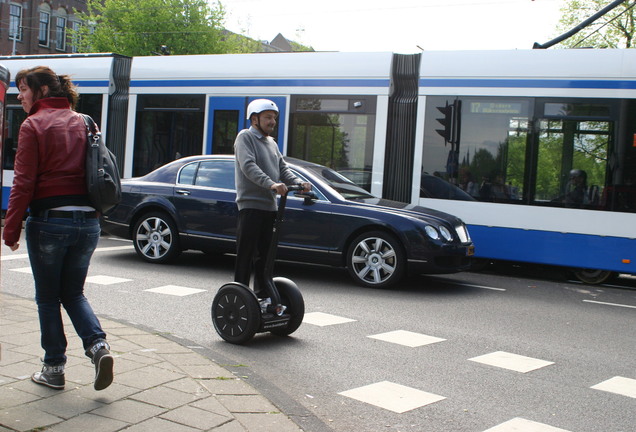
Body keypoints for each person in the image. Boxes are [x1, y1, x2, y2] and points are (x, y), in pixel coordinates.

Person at [2, 66, 114, 391]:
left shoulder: (32, 125)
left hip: (50, 222)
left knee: (48, 298)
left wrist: (11, 229)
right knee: (74, 293)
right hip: (89, 224)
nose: (19, 96)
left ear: (39, 92)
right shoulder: (85, 121)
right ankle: (98, 347)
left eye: (23, 89)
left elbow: (23, 182)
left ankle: (53, 369)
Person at [233, 99, 311, 298]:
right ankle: (239, 296)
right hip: (250, 206)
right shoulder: (245, 137)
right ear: (254, 119)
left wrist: (300, 183)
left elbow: (283, 169)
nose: (272, 121)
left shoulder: (271, 143)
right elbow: (248, 166)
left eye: (274, 118)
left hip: (269, 207)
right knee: (246, 255)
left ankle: (262, 296)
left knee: (265, 257)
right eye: (268, 117)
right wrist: (271, 184)